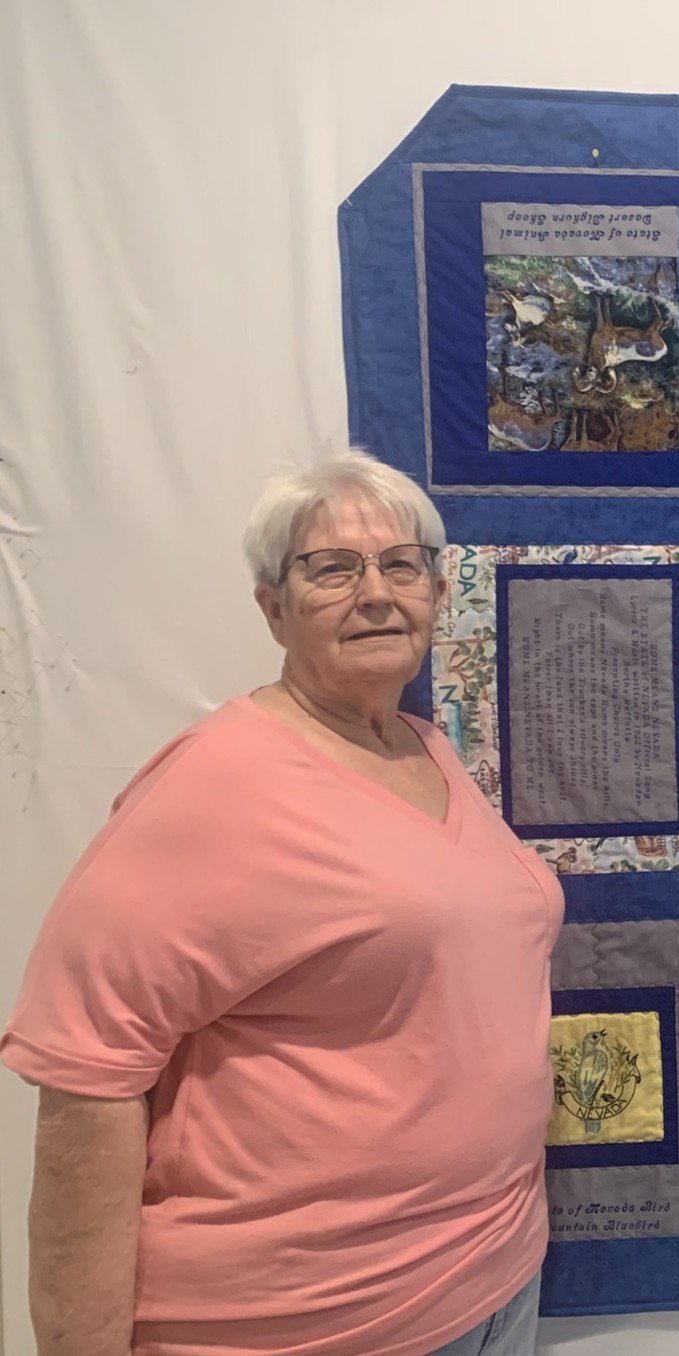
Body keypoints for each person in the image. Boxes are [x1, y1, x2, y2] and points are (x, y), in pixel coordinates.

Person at [2, 450, 562, 1356]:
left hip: (490, 1279)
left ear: (434, 588)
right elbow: (85, 1079)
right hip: (307, 1322)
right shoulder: (216, 785)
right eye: (332, 569)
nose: (375, 593)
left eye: (401, 564)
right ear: (273, 607)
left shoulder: (425, 746)